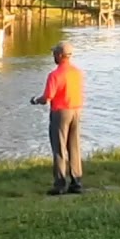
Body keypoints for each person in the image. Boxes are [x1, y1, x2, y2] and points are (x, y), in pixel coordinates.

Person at [30, 41, 85, 195]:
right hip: (76, 111)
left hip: (60, 113)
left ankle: (60, 184)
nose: (53, 55)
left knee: (59, 148)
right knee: (74, 147)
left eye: (54, 53)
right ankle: (76, 183)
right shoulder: (77, 72)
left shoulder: (54, 75)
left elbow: (47, 97)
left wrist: (35, 100)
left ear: (60, 56)